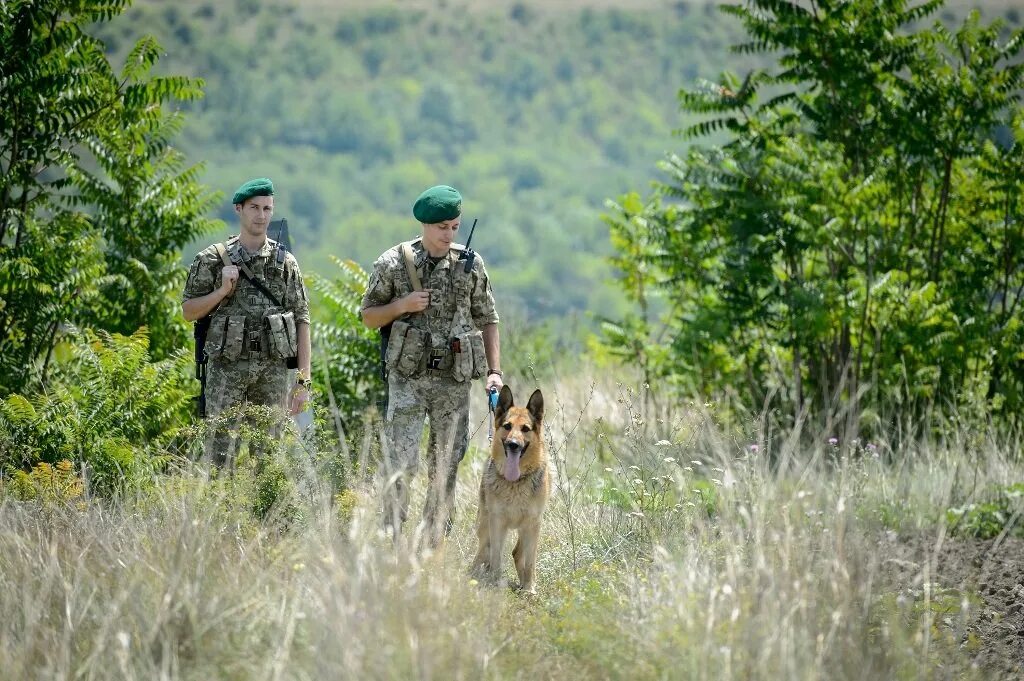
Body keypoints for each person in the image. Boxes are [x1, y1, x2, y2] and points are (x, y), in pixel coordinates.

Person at [361, 184, 503, 546]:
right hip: (408, 379)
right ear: (425, 224)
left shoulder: (471, 264)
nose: (449, 234)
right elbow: (368, 317)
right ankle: (390, 539)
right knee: (401, 464)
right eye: (442, 227)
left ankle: (432, 545)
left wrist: (494, 372)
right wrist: (402, 305)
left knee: (446, 466)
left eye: (454, 227)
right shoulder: (393, 263)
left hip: (452, 382)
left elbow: (488, 318)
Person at [181, 177, 312, 465]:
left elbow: (302, 318)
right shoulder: (213, 260)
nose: (261, 215)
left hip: (273, 372)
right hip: (226, 371)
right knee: (219, 455)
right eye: (254, 207)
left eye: (267, 208)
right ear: (238, 209)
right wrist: (221, 291)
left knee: (268, 458)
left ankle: (265, 512)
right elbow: (189, 310)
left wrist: (303, 381)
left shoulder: (285, 262)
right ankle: (220, 509)